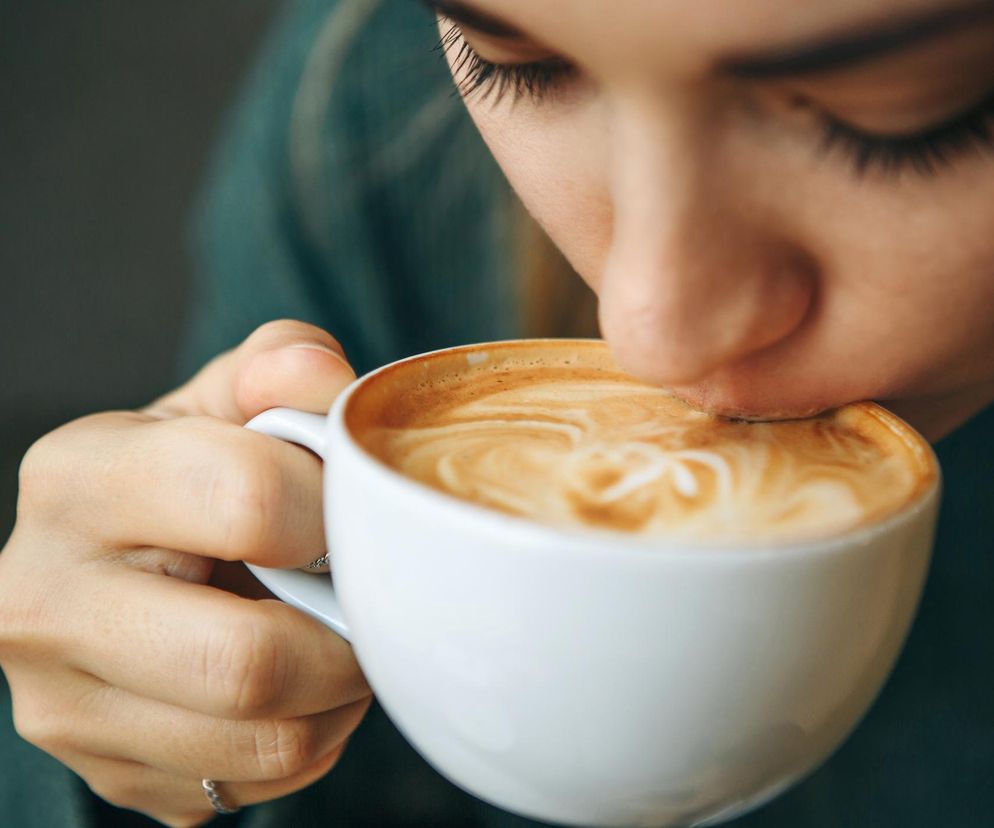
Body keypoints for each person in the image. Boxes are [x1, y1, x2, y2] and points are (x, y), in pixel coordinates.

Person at [1, 0, 992, 825]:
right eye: (517, 64)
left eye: (892, 120)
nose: (649, 330)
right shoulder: (371, 113)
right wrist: (144, 733)